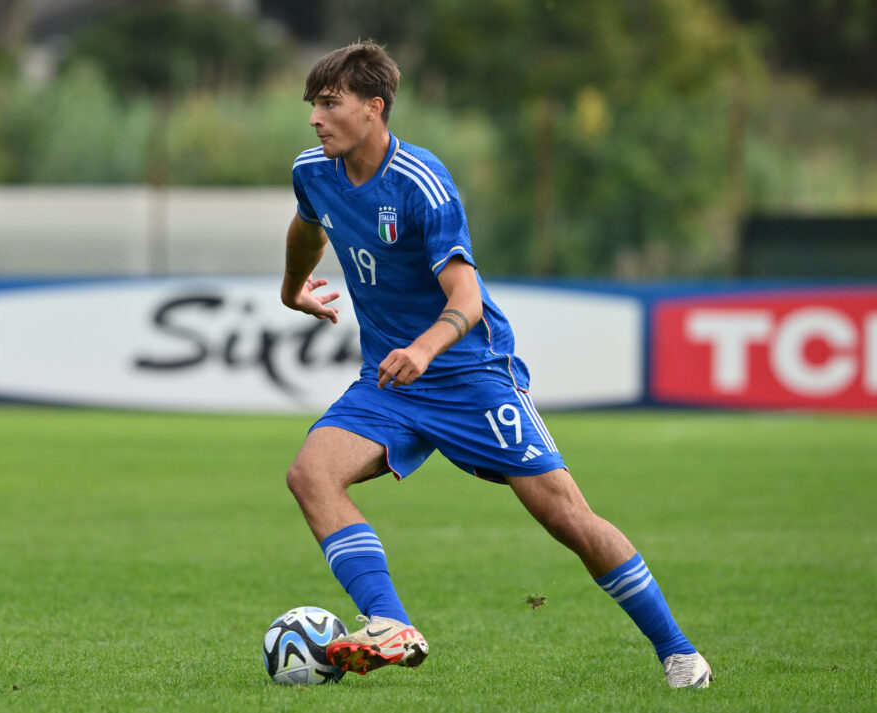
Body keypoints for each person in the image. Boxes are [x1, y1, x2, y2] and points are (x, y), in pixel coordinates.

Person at [280, 40, 712, 688]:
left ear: (374, 108)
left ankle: (681, 654)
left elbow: (467, 296)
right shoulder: (313, 171)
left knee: (566, 516)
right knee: (311, 473)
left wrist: (425, 349)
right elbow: (308, 226)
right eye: (313, 103)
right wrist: (293, 287)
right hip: (390, 381)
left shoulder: (422, 182)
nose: (315, 116)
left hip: (470, 374)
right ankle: (390, 622)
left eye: (329, 102)